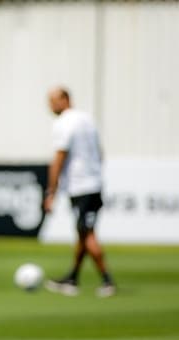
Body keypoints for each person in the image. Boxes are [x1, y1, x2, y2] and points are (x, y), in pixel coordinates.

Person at [43, 86, 116, 297]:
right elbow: (100, 152)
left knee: (88, 234)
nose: (49, 105)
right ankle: (72, 278)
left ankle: (107, 280)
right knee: (83, 233)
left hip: (80, 186)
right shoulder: (87, 119)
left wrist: (51, 193)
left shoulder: (64, 123)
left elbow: (58, 159)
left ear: (65, 99)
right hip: (94, 183)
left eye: (52, 100)